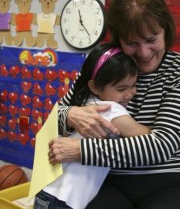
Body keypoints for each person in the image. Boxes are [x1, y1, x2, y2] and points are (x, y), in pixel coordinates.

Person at [49, 0, 180, 209]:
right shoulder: (104, 65)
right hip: (108, 178)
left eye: (152, 39)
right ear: (118, 39)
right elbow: (55, 119)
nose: (143, 53)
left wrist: (81, 151)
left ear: (166, 30)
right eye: (131, 43)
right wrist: (71, 114)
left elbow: (161, 146)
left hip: (170, 178)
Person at [34, 43, 151, 209]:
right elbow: (148, 136)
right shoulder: (111, 110)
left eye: (133, 85)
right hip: (65, 202)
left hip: (45, 192)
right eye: (122, 88)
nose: (131, 94)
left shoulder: (82, 102)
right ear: (94, 86)